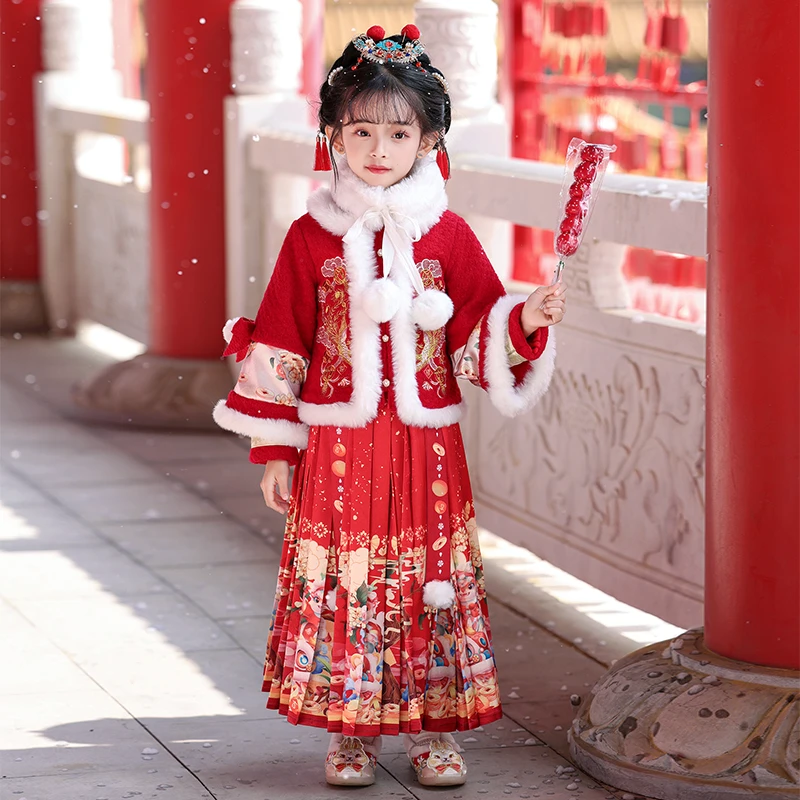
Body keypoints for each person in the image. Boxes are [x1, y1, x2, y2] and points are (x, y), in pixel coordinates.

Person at [213, 23, 566, 789]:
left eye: (399, 132)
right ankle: (351, 733)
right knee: (349, 579)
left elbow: (476, 332)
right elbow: (281, 342)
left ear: (430, 140)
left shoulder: (448, 235)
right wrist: (274, 448)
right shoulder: (311, 237)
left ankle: (435, 731)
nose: (378, 148)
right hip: (339, 448)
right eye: (361, 130)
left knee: (428, 576)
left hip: (424, 446)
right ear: (333, 135)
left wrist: (526, 321)